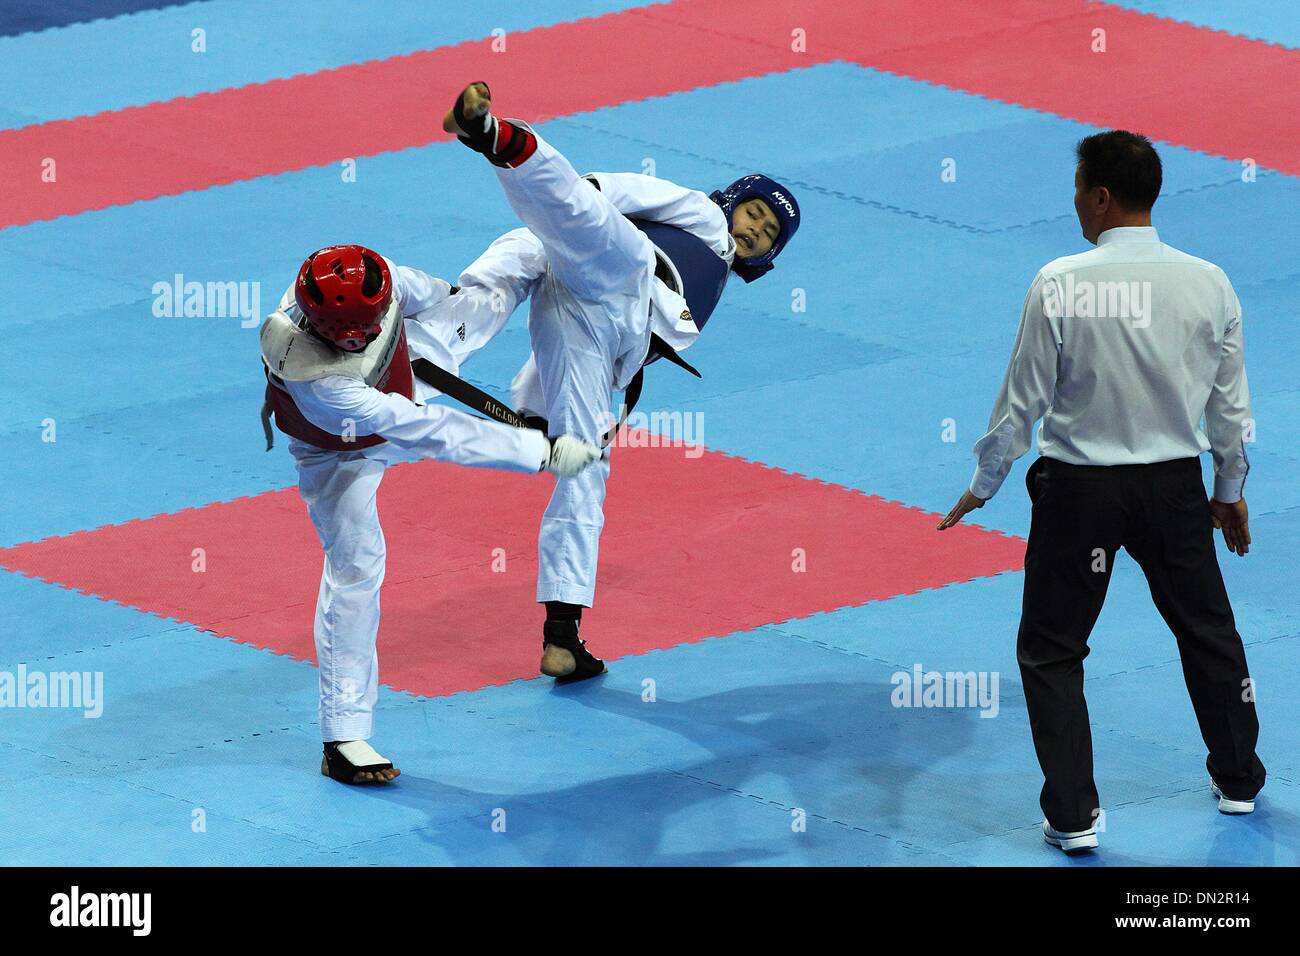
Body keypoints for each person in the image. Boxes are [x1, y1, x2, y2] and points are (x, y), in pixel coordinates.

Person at [938, 130, 1265, 853]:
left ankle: (1074, 815)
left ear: (1102, 197)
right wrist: (1228, 488)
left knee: (1053, 650)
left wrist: (983, 484)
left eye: (1079, 190)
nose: (1075, 204)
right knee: (1208, 634)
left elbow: (1021, 402)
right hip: (1175, 490)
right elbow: (1230, 411)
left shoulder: (1060, 281)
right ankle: (1239, 778)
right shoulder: (1210, 281)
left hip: (1080, 494)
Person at [441, 81, 801, 683]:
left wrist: (533, 420)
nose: (753, 229)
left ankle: (563, 635)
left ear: (768, 258)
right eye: (754, 213)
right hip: (617, 270)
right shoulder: (704, 216)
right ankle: (492, 137)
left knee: (584, 465)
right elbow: (622, 190)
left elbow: (549, 369)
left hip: (593, 330)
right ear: (733, 201)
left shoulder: (710, 287)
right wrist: (582, 196)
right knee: (557, 234)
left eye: (766, 234)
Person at [260, 244, 601, 784]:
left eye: (364, 325)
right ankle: (343, 738)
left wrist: (450, 300)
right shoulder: (316, 376)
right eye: (344, 332)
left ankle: (552, 243)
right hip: (338, 451)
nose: (354, 337)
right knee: (356, 567)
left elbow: (426, 293)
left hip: (409, 366)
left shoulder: (381, 280)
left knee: (484, 298)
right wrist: (543, 453)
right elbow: (435, 433)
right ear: (317, 320)